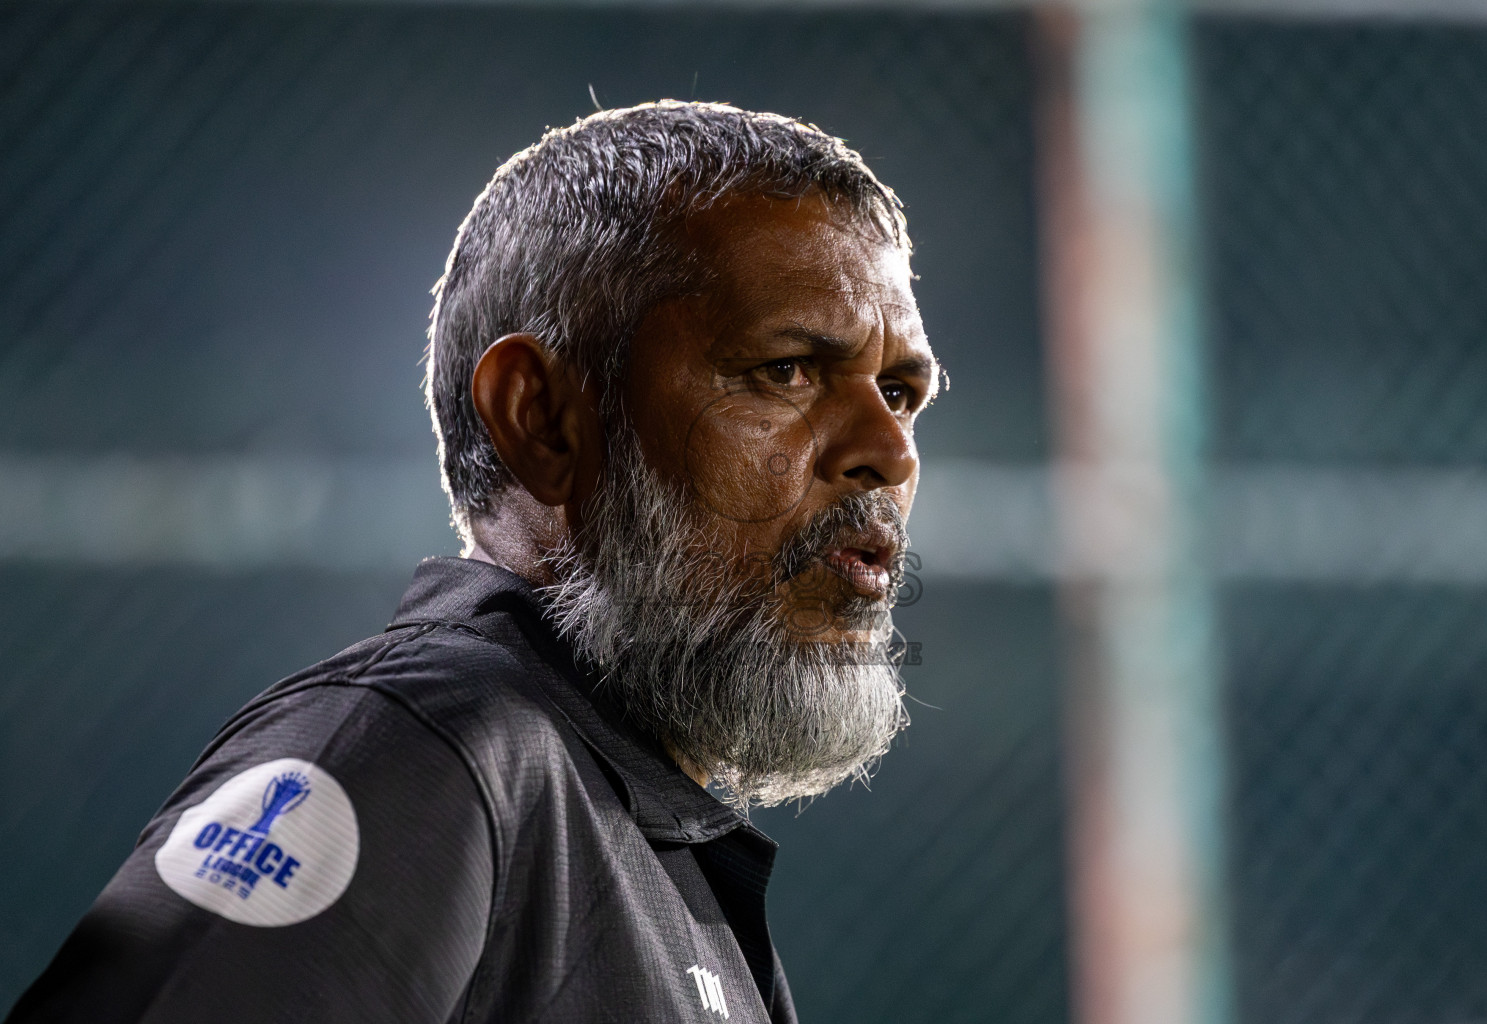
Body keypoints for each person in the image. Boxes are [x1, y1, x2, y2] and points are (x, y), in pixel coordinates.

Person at [8, 100, 939, 1024]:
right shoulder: (427, 750)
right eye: (785, 370)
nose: (889, 452)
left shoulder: (654, 838)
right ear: (541, 417)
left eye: (900, 393)